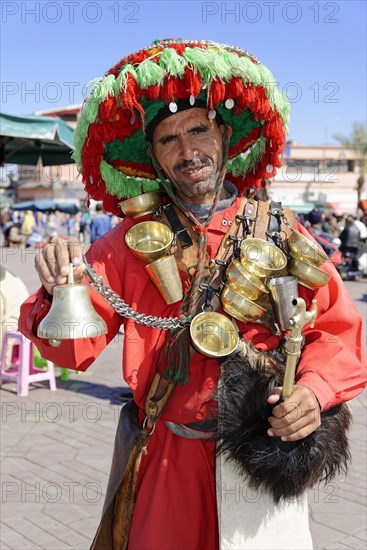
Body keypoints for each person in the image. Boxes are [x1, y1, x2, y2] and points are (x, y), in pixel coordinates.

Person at [19, 39, 366, 550]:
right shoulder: (124, 246)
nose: (187, 151)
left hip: (260, 457)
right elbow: (72, 351)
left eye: (198, 130)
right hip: (166, 461)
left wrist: (312, 395)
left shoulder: (282, 232)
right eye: (167, 139)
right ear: (153, 157)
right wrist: (57, 291)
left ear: (224, 135)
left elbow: (338, 332)